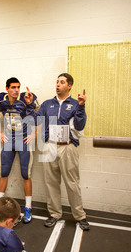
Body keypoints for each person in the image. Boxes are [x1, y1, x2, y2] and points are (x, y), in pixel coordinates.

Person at [25, 73, 89, 230]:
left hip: (68, 147)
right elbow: (33, 119)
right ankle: (54, 214)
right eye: (57, 82)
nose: (58, 84)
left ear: (69, 86)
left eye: (62, 82)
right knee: (51, 183)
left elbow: (80, 125)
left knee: (72, 183)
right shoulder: (47, 104)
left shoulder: (75, 104)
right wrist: (29, 104)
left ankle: (80, 216)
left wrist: (81, 106)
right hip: (50, 146)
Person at [0, 77, 39, 223]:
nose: (16, 90)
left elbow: (41, 117)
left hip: (24, 141)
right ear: (7, 89)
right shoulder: (1, 100)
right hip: (9, 141)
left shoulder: (26, 99)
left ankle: (28, 208)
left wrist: (34, 135)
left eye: (18, 87)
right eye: (13, 87)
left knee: (26, 174)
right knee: (4, 172)